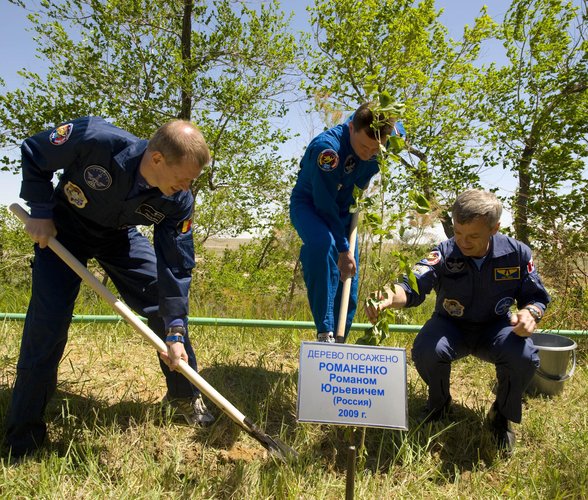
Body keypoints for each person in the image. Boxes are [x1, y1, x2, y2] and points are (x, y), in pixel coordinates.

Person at [3, 116, 214, 459]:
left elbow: (175, 264)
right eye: (184, 178)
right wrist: (40, 211)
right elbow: (34, 151)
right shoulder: (93, 139)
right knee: (48, 325)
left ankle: (184, 398)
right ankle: (23, 437)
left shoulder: (178, 200)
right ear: (157, 159)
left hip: (119, 237)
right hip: (63, 229)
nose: (187, 187)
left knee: (164, 304)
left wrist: (175, 330)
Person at [365, 189, 550, 454]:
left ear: (494, 229)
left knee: (523, 355)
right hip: (450, 326)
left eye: (472, 236)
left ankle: (500, 416)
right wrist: (387, 296)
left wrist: (530, 313)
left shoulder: (517, 254)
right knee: (428, 349)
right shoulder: (443, 251)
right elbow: (413, 285)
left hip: (495, 327)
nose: (462, 241)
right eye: (458, 232)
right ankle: (439, 406)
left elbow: (536, 297)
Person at [290, 102, 405, 343]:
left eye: (376, 150)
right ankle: (325, 331)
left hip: (345, 210)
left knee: (349, 275)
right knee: (324, 245)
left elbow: (399, 130)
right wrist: (343, 248)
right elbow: (324, 205)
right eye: (364, 146)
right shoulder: (328, 152)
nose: (369, 154)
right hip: (312, 205)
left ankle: (341, 338)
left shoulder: (387, 140)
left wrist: (346, 251)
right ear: (351, 127)